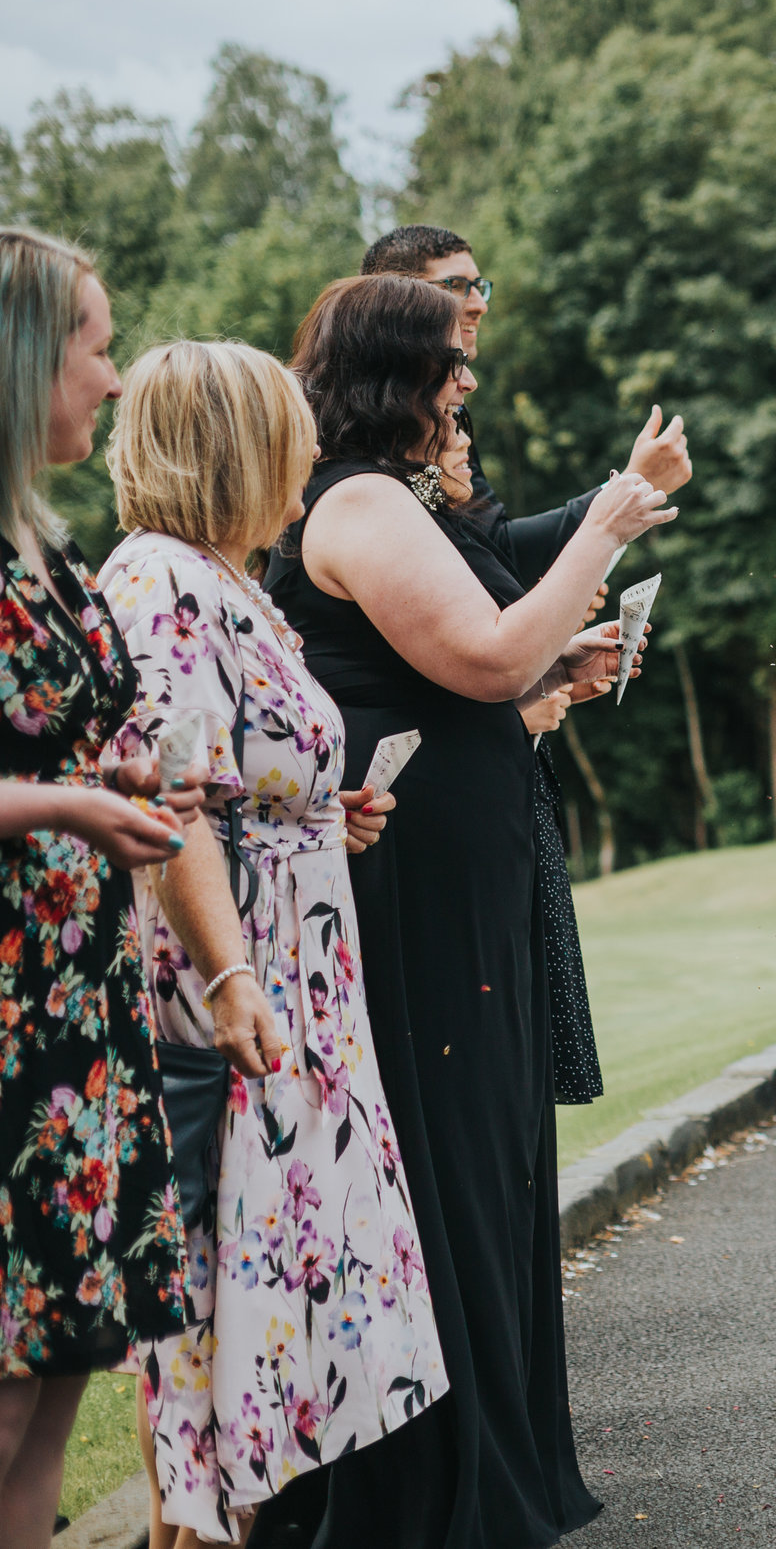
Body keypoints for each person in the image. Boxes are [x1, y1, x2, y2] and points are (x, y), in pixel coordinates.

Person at [251, 274, 673, 1548]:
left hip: (451, 862)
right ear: (396, 375)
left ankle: (501, 1463)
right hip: (412, 875)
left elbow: (486, 665)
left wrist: (552, 671)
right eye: (451, 362)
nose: (468, 382)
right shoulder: (361, 498)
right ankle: (439, 1491)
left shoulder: (391, 496)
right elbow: (482, 654)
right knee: (447, 1156)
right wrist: (604, 526)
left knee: (486, 1151)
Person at [98, 339, 449, 1546]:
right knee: (212, 1283)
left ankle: (235, 1519)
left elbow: (247, 783)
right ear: (229, 455)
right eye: (285, 459)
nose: (302, 490)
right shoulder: (161, 582)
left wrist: (321, 817)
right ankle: (189, 1528)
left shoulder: (227, 578)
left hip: (297, 967)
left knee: (275, 1287)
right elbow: (175, 803)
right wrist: (235, 974)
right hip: (233, 986)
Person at [361, 223, 697, 1106]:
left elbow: (490, 561)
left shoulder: (440, 431)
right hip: (430, 799)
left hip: (500, 766)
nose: (475, 303)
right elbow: (484, 585)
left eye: (481, 285)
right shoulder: (373, 475)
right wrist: (609, 508)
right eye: (454, 286)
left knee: (513, 1070)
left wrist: (547, 664)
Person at [0, 225, 198, 1544]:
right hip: (9, 1019)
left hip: (84, 1011)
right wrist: (72, 802)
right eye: (94, 344)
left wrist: (127, 784)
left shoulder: (43, 544)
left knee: (59, 1369)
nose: (116, 375)